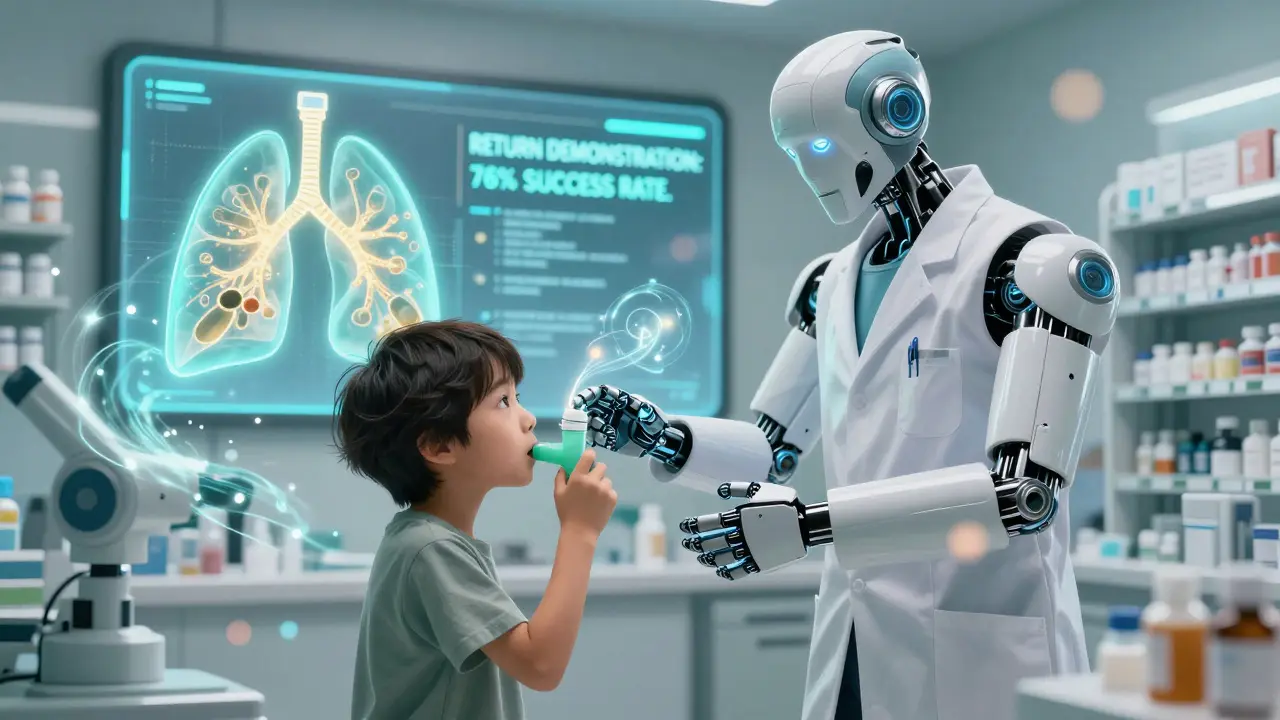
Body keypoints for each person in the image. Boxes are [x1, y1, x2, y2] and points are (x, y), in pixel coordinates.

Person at [571, 30, 1118, 720]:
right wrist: (663, 439)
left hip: (977, 645)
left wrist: (810, 529)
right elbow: (773, 452)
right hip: (857, 639)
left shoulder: (1028, 265)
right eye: (796, 155)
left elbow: (1025, 494)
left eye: (821, 148)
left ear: (896, 116)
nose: (810, 170)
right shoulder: (829, 283)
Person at [334, 320, 618, 720]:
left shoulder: (428, 541)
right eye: (503, 401)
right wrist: (580, 531)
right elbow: (541, 665)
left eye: (518, 397)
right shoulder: (432, 549)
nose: (529, 418)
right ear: (439, 444)